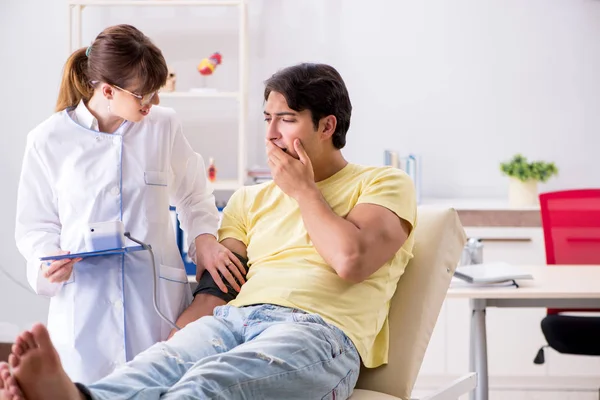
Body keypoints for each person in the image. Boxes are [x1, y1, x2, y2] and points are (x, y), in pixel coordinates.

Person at [2, 62, 417, 400]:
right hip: (234, 321)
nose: (271, 134)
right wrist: (180, 338)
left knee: (203, 387)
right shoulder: (250, 200)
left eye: (286, 120)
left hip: (319, 334)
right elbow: (216, 288)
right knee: (156, 369)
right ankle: (78, 398)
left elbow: (351, 260)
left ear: (326, 126)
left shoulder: (383, 183)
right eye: (267, 119)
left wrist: (304, 192)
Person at [13, 24, 245, 385]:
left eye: (155, 93)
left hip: (154, 305)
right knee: (88, 390)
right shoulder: (47, 139)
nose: (153, 104)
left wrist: (204, 239)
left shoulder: (163, 127)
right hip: (85, 306)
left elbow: (193, 194)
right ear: (107, 90)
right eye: (143, 95)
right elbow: (35, 225)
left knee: (162, 388)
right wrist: (47, 261)